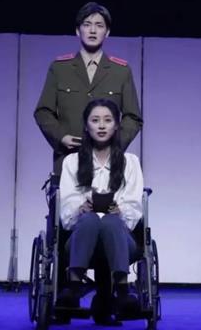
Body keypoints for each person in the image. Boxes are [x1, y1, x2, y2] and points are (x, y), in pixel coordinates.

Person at [34, 2, 143, 176]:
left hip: (108, 165)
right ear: (78, 30)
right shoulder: (60, 68)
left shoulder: (121, 71)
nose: (93, 30)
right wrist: (61, 137)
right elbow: (43, 111)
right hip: (68, 162)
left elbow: (133, 117)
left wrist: (115, 145)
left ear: (107, 32)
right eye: (87, 24)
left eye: (99, 25)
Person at [58, 98, 143, 317]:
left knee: (111, 221)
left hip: (121, 239)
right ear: (86, 126)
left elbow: (134, 204)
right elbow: (67, 209)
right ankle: (74, 286)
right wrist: (80, 208)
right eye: (95, 120)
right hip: (81, 238)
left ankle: (122, 290)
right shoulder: (72, 162)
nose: (102, 126)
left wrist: (121, 211)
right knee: (90, 219)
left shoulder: (130, 162)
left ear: (116, 126)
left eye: (108, 120)